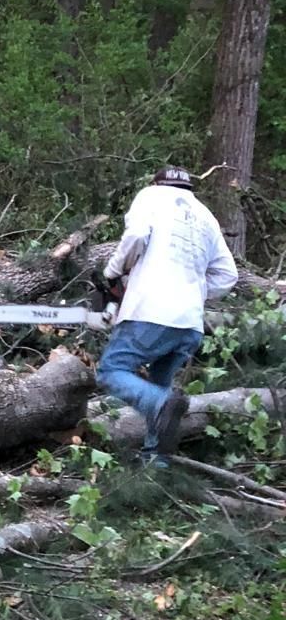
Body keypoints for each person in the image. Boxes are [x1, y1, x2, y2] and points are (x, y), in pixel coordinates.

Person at [96, 166, 238, 464]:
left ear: (157, 182)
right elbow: (227, 276)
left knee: (111, 371)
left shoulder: (151, 196)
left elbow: (135, 235)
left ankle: (160, 404)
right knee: (160, 381)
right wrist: (193, 291)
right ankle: (156, 464)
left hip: (151, 310)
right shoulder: (206, 215)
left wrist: (113, 272)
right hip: (189, 323)